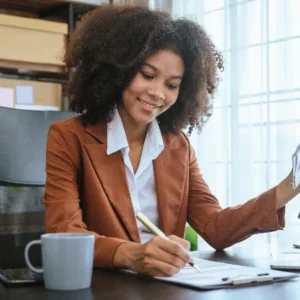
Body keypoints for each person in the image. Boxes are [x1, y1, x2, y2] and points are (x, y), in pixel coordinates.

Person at [43, 4, 300, 277]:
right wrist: (132, 255)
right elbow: (65, 232)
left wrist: (292, 182)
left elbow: (215, 227)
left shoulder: (178, 146)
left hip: (167, 288)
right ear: (118, 70)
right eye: (148, 75)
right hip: (102, 286)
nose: (157, 93)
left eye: (172, 85)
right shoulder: (68, 137)